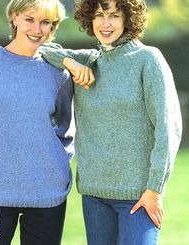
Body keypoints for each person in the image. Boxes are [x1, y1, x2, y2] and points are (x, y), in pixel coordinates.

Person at [41, 0, 182, 244]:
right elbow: (41, 49)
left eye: (114, 16)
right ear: (89, 19)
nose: (105, 24)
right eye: (98, 15)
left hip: (138, 196)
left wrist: (154, 190)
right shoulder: (89, 60)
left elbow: (168, 129)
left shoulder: (147, 60)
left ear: (128, 19)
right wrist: (69, 62)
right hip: (94, 196)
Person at [0, 0, 74, 244]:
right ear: (14, 17)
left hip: (48, 193)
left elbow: (66, 127)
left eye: (45, 22)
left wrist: (60, 166)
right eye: (30, 20)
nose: (37, 29)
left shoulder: (58, 72)